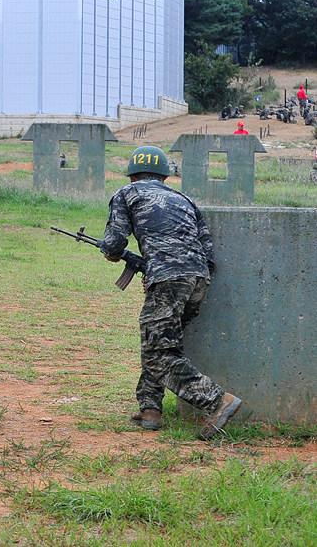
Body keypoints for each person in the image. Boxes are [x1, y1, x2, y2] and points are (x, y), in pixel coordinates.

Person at [100, 146, 241, 440]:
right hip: (198, 279)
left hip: (168, 278)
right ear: (165, 175)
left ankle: (216, 400)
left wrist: (119, 257)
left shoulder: (127, 194)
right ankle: (150, 409)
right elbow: (209, 256)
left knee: (157, 352)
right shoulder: (184, 199)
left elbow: (113, 244)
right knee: (162, 345)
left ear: (132, 174)